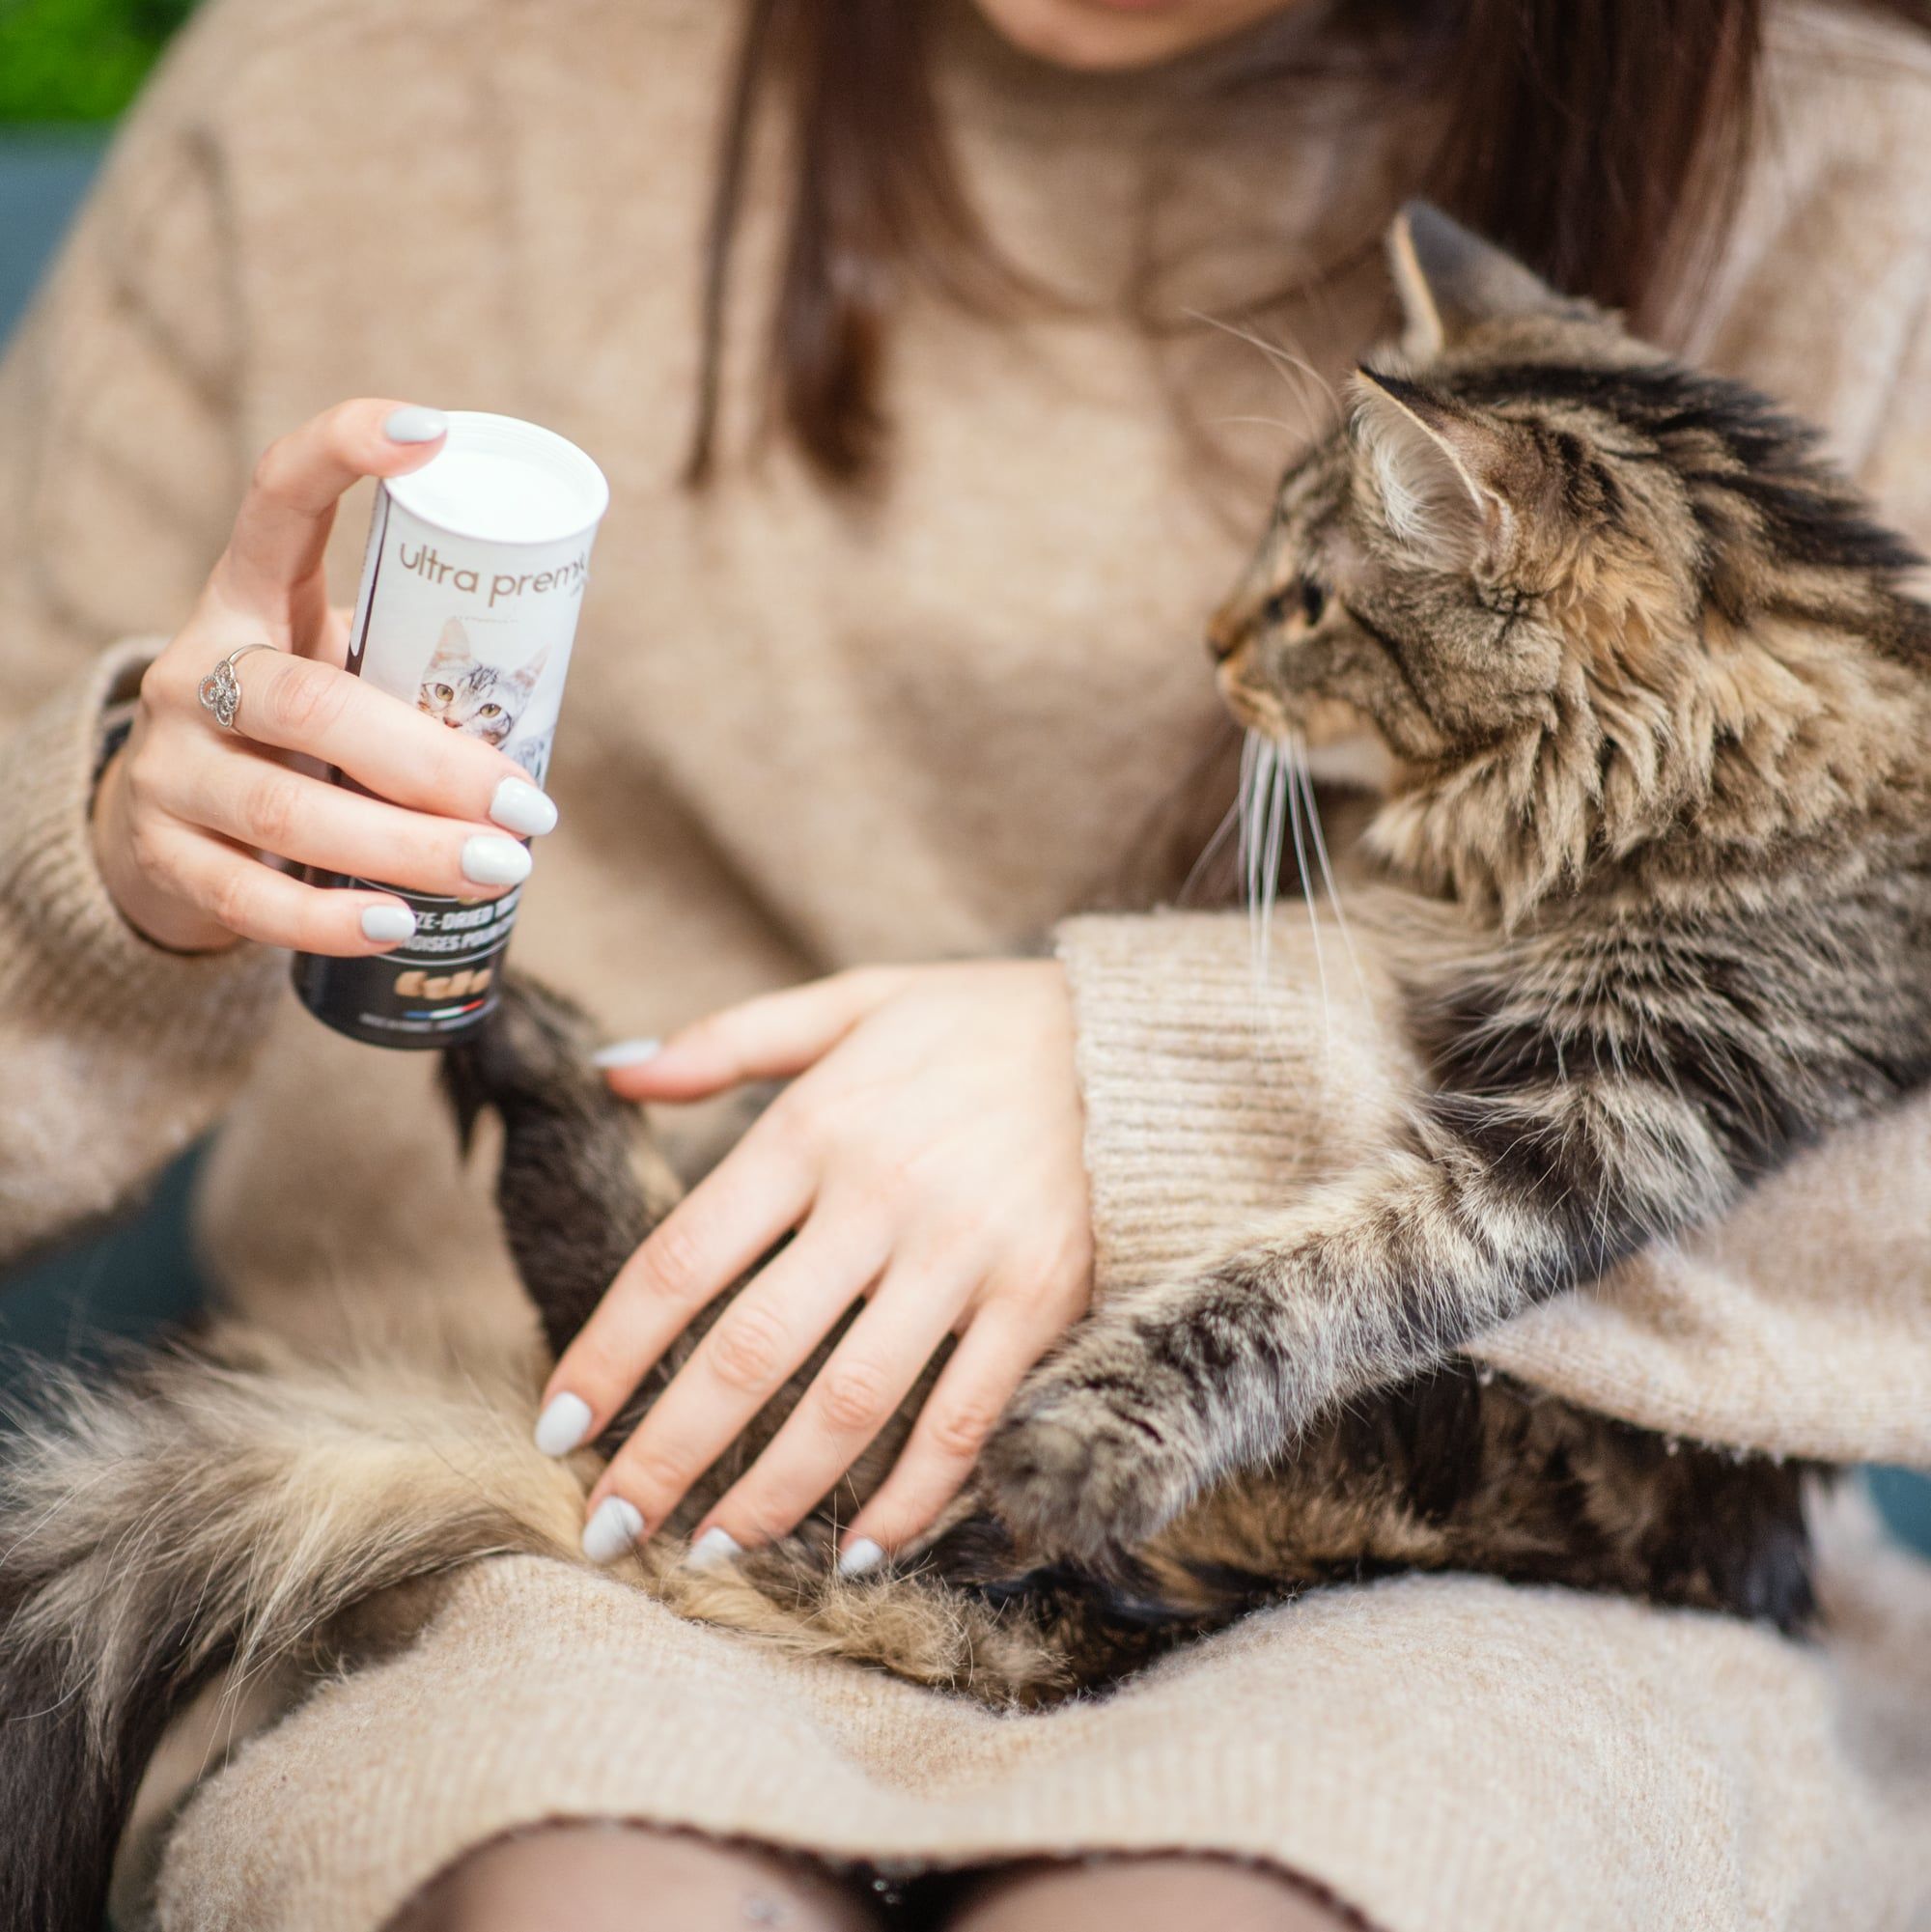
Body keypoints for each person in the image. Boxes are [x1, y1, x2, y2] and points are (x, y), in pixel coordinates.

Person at [3, 0, 1930, 1926]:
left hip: (1490, 1574)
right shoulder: (357, 69)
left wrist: (1153, 1080)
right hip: (556, 1482)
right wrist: (121, 869)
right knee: (584, 1894)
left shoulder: (1856, 174)